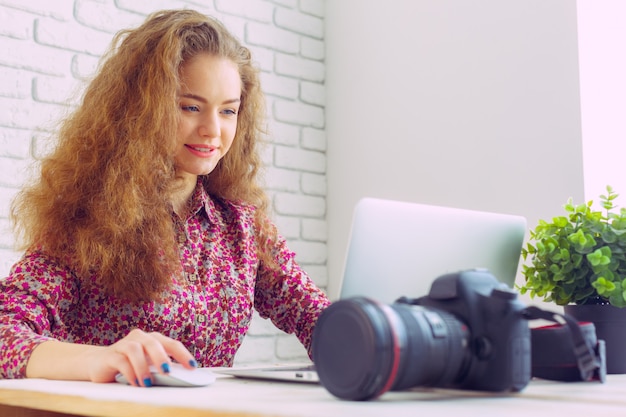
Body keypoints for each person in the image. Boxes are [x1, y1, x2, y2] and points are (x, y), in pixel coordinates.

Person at [0, 9, 330, 387]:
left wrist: (391, 341)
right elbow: (5, 331)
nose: (212, 130)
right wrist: (100, 359)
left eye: (228, 111)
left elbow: (316, 317)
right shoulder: (89, 219)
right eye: (190, 107)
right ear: (142, 108)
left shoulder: (242, 225)